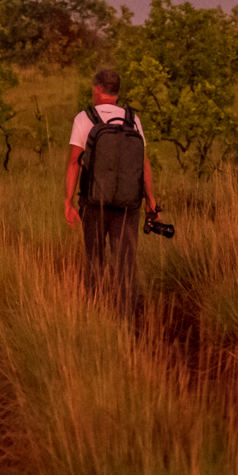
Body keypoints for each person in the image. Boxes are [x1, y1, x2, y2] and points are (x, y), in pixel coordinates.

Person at [63, 66, 159, 312]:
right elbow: (143, 162)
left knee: (95, 259)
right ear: (116, 92)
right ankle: (125, 318)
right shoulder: (132, 119)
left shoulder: (84, 118)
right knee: (126, 263)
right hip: (128, 204)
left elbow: (74, 162)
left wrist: (68, 200)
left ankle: (94, 313)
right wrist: (151, 200)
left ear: (97, 89)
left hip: (94, 203)